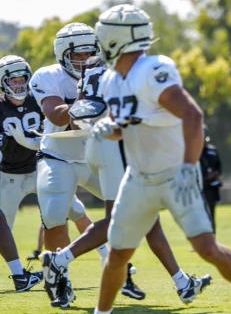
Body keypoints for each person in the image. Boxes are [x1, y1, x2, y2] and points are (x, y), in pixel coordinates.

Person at [92, 4, 231, 314]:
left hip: (175, 175)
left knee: (206, 248)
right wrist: (109, 128)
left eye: (103, 33)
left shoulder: (152, 70)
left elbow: (193, 115)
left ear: (116, 37)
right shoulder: (111, 80)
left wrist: (188, 166)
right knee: (117, 254)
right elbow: (128, 127)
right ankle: (101, 313)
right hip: (138, 179)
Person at [40, 53, 211, 307]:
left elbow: (84, 109)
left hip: (101, 143)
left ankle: (182, 283)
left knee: (150, 219)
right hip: (116, 146)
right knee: (115, 220)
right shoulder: (122, 69)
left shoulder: (93, 70)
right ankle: (60, 260)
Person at [29, 23, 145, 307]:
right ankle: (60, 278)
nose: (83, 61)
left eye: (89, 54)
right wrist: (86, 103)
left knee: (125, 209)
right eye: (77, 55)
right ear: (62, 54)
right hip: (59, 156)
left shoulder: (109, 74)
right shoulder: (48, 76)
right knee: (55, 215)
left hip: (96, 154)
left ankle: (118, 268)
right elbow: (56, 115)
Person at [0, 55, 94, 292]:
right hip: (8, 176)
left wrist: (25, 140)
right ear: (3, 82)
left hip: (39, 168)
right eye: (14, 80)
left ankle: (111, 259)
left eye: (23, 79)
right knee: (3, 227)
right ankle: (20, 275)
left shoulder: (37, 99)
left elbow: (49, 136)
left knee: (75, 210)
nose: (20, 84)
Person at [199, 127, 222, 232]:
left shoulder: (213, 150)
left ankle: (213, 238)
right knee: (198, 214)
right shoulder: (192, 150)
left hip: (211, 187)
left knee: (211, 213)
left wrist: (214, 174)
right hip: (198, 187)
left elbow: (219, 168)